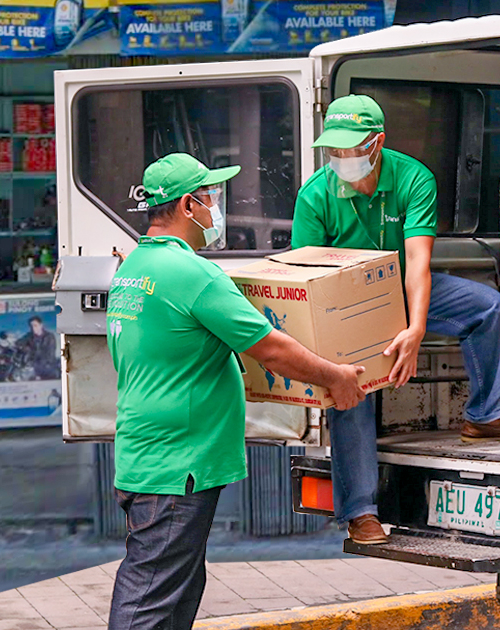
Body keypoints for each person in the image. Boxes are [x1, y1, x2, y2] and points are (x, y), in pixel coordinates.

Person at [106, 153, 366, 630]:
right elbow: (272, 349)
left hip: (152, 455)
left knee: (173, 589)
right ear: (188, 205)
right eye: (211, 198)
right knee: (151, 597)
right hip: (176, 464)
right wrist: (336, 377)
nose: (216, 208)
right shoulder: (192, 275)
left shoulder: (135, 266)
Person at [291, 95, 500, 546]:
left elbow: (418, 262)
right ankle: (361, 512)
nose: (342, 159)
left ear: (377, 143)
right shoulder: (315, 194)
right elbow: (307, 277)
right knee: (348, 386)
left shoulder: (413, 178)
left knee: (486, 305)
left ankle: (487, 414)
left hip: (399, 284)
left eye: (351, 149)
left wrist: (414, 328)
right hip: (345, 302)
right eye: (334, 150)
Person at [14, 316, 59, 380]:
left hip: (47, 365)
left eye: (35, 325)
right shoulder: (29, 335)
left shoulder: (49, 336)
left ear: (41, 325)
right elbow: (18, 343)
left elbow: (50, 354)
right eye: (31, 326)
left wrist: (37, 366)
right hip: (32, 364)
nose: (33, 328)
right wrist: (25, 349)